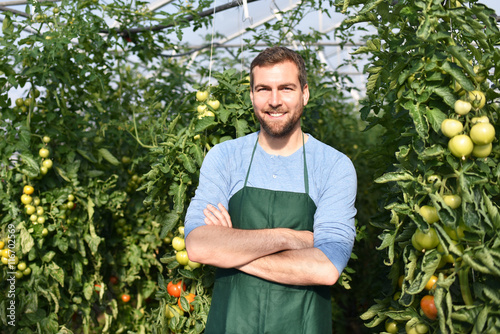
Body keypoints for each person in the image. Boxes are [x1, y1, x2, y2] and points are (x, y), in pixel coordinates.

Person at [184, 46, 357, 334]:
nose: (274, 101)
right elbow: (199, 245)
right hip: (231, 325)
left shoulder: (334, 166)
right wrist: (289, 238)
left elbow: (326, 268)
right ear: (251, 95)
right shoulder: (225, 157)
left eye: (286, 88)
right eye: (263, 89)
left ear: (305, 93)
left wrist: (228, 250)